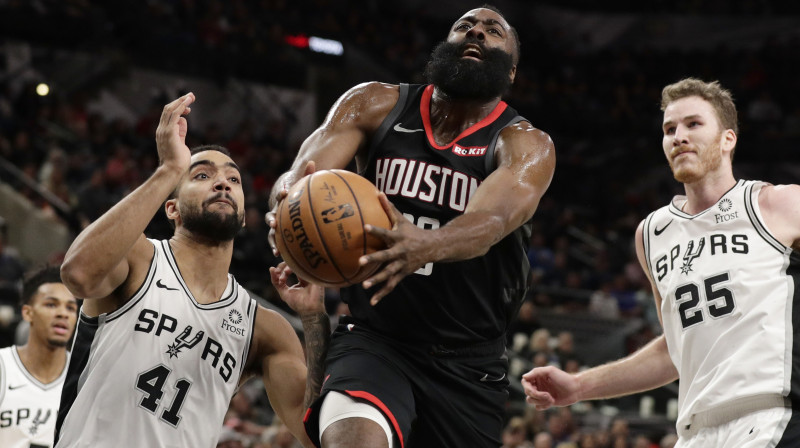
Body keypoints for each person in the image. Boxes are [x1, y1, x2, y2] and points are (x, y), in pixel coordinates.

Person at [267, 5, 556, 447]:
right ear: (445, 46)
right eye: (464, 26)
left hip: (468, 362)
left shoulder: (526, 144)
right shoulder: (374, 102)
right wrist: (284, 205)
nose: (475, 31)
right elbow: (301, 175)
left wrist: (428, 244)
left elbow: (491, 221)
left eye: (493, 31)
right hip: (375, 340)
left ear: (511, 70)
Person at [522, 78, 800, 447]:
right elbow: (674, 349)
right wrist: (578, 386)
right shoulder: (651, 234)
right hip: (695, 432)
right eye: (670, 129)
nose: (678, 136)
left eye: (693, 124)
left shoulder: (776, 205)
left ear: (727, 139)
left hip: (771, 417)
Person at [54, 93, 329, 448]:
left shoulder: (264, 328)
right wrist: (169, 169)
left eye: (234, 179)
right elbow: (77, 274)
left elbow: (312, 434)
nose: (223, 183)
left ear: (245, 215)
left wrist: (314, 320)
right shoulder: (138, 258)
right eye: (202, 175)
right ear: (172, 208)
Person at [0, 265, 77, 448]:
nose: (62, 313)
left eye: (70, 308)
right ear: (28, 313)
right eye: (51, 304)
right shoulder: (3, 366)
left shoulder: (82, 377)